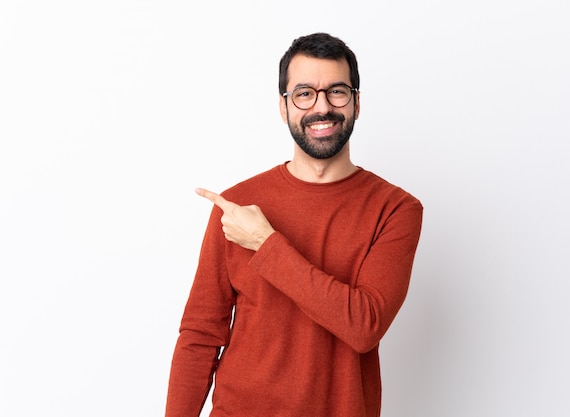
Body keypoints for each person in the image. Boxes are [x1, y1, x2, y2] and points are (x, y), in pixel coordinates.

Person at [165, 32, 423, 417]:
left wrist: (266, 244)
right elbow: (201, 336)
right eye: (304, 93)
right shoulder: (236, 208)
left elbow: (364, 325)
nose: (322, 107)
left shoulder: (395, 209)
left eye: (337, 92)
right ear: (284, 107)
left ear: (356, 103)